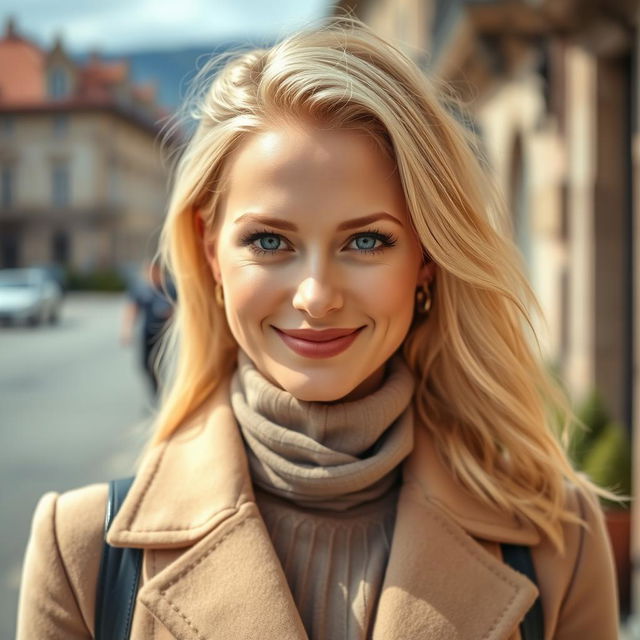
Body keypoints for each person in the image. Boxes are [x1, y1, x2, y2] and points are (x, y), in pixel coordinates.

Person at [16, 17, 622, 639]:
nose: (316, 297)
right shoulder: (83, 550)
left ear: (427, 261)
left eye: (366, 240)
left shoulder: (558, 541)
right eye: (270, 240)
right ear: (209, 253)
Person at [120, 260, 176, 396]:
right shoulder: (141, 289)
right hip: (147, 332)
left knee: (159, 364)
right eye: (148, 272)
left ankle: (162, 394)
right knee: (145, 365)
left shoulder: (169, 288)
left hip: (164, 333)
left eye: (154, 271)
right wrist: (126, 330)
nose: (152, 275)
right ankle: (156, 390)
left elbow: (181, 307)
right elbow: (132, 309)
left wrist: (171, 314)